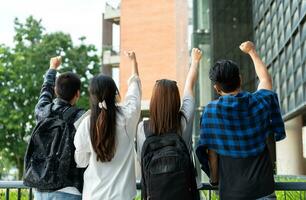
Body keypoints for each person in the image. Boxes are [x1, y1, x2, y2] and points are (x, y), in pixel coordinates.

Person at [196, 41, 286, 200]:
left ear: (216, 88)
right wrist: (252, 51)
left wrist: (214, 179)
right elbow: (265, 80)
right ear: (240, 79)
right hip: (264, 188)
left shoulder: (211, 112)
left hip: (231, 193)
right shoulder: (259, 102)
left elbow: (212, 153)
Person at [73, 51, 141, 200]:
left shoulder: (86, 124)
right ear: (115, 93)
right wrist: (133, 64)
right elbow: (134, 91)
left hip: (93, 195)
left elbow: (81, 161)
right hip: (122, 196)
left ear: (92, 96)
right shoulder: (127, 116)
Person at [136, 48, 202, 200]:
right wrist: (195, 62)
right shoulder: (184, 120)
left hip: (155, 190)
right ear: (176, 100)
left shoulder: (142, 128)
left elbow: (141, 158)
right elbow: (189, 86)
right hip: (186, 189)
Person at [25, 56, 85, 200]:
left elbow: (45, 90)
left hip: (40, 187)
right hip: (68, 189)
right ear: (77, 94)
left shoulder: (42, 111)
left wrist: (52, 68)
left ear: (56, 91)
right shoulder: (81, 117)